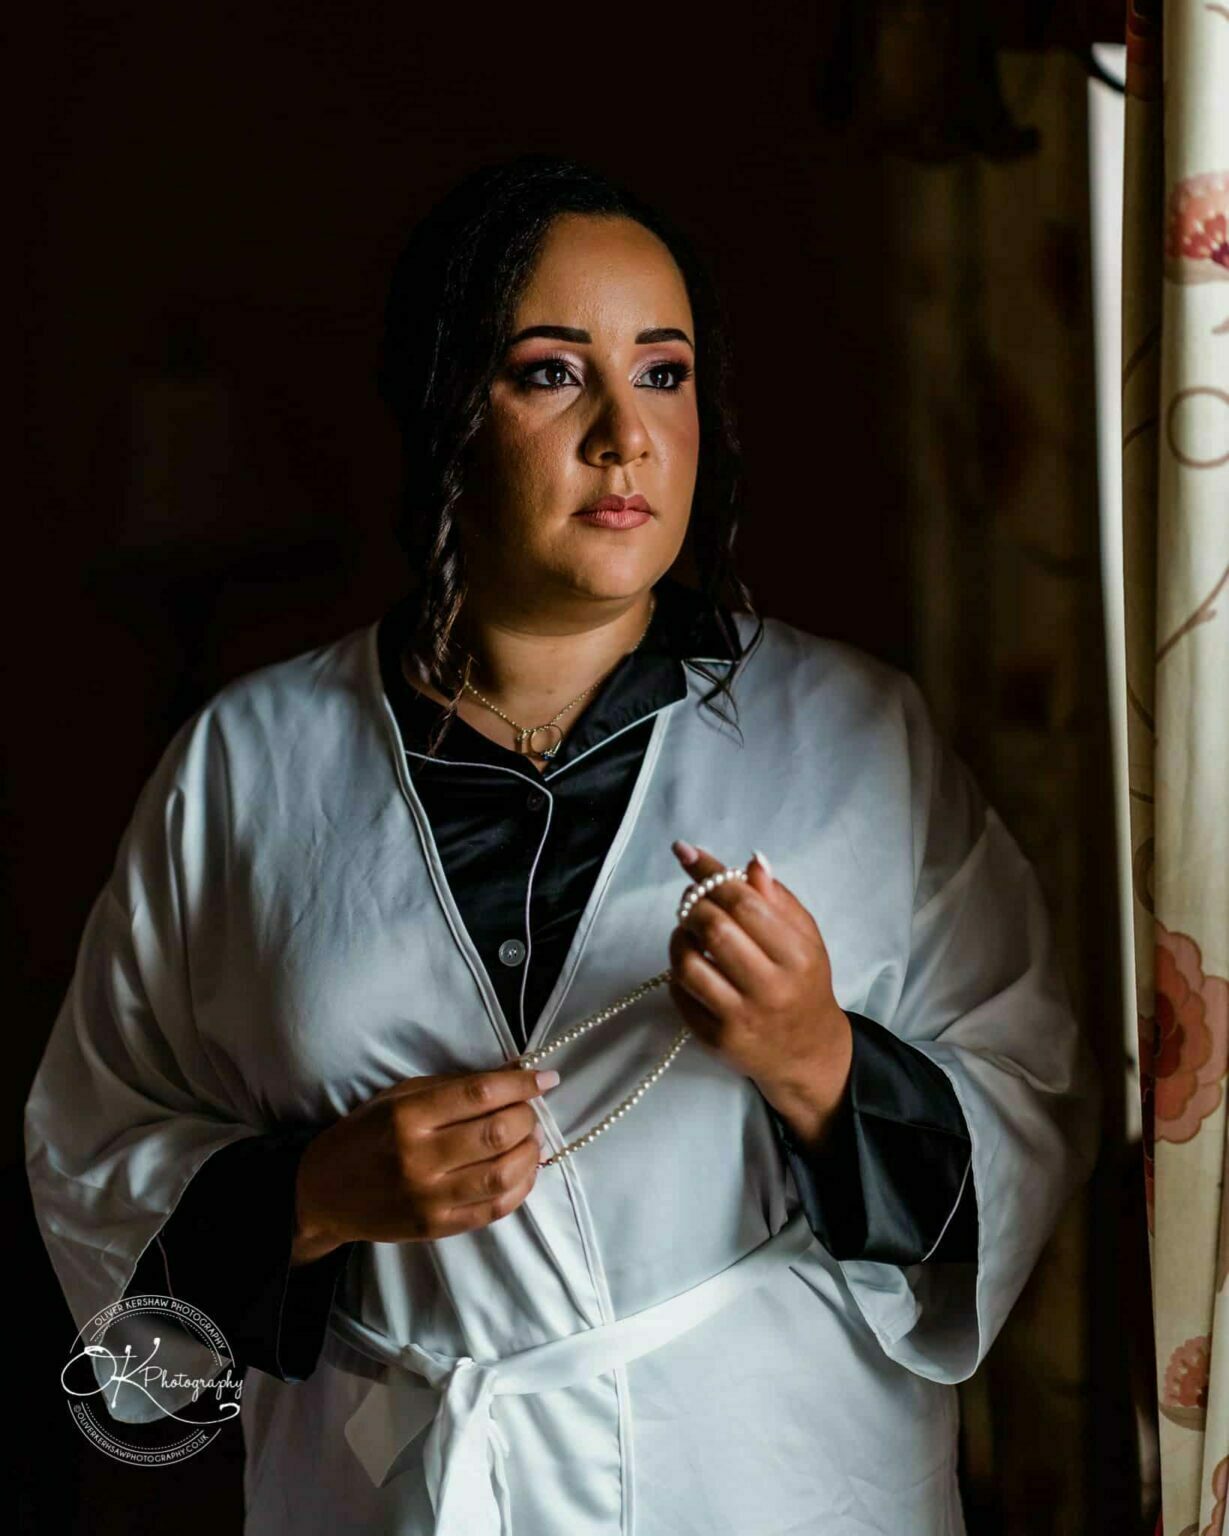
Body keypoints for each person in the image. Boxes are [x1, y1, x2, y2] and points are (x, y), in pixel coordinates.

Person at [24, 154, 1101, 1536]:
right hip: (397, 1481)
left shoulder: (852, 736)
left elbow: (1031, 1094)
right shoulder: (249, 764)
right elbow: (88, 1142)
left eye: (663, 371)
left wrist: (818, 1061)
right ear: (446, 407)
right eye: (550, 372)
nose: (623, 434)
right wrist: (309, 1197)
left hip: (771, 1477)